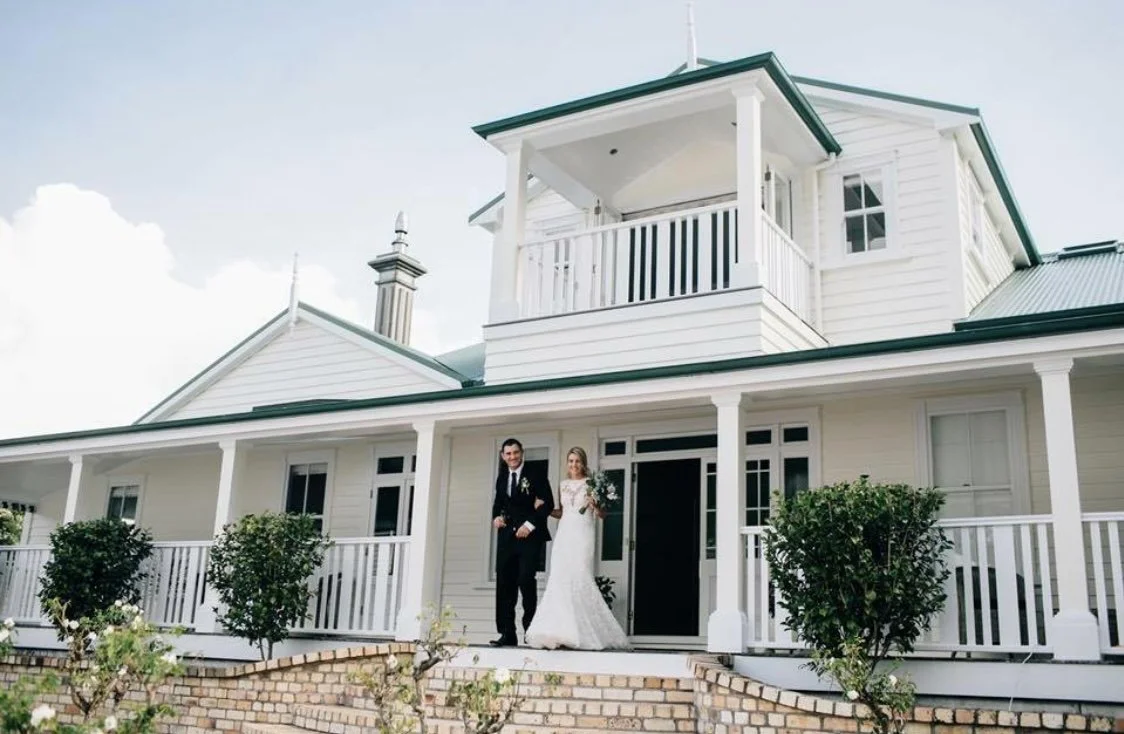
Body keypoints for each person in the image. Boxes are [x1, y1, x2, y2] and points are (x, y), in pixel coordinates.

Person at [525, 447, 630, 651]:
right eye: (570, 461)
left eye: (577, 461)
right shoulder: (563, 485)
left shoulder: (591, 484)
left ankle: (586, 633)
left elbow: (602, 515)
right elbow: (561, 513)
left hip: (583, 534)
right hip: (564, 534)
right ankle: (560, 632)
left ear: (583, 463)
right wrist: (542, 509)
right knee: (560, 578)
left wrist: (595, 505)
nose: (574, 465)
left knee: (579, 576)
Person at [490, 437, 555, 647]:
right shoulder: (501, 478)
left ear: (522, 452)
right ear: (503, 456)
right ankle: (507, 633)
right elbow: (498, 504)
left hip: (529, 538)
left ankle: (531, 631)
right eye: (508, 454)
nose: (512, 457)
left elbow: (547, 504)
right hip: (507, 538)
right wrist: (496, 517)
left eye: (515, 452)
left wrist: (529, 525)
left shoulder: (535, 474)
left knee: (526, 581)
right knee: (504, 584)